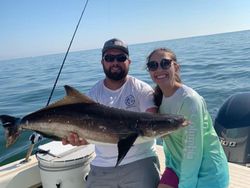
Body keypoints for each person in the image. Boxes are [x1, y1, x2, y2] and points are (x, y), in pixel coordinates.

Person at [63, 38, 161, 188]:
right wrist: (80, 139)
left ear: (129, 62)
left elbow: (152, 120)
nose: (115, 62)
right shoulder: (93, 94)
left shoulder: (141, 89)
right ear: (102, 62)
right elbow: (88, 135)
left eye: (121, 58)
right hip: (101, 166)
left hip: (140, 161)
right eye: (109, 58)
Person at [146, 48, 229, 188]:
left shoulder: (189, 100)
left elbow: (193, 151)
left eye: (165, 63)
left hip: (207, 173)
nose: (159, 69)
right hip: (177, 167)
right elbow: (170, 142)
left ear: (176, 67)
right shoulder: (157, 98)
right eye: (153, 65)